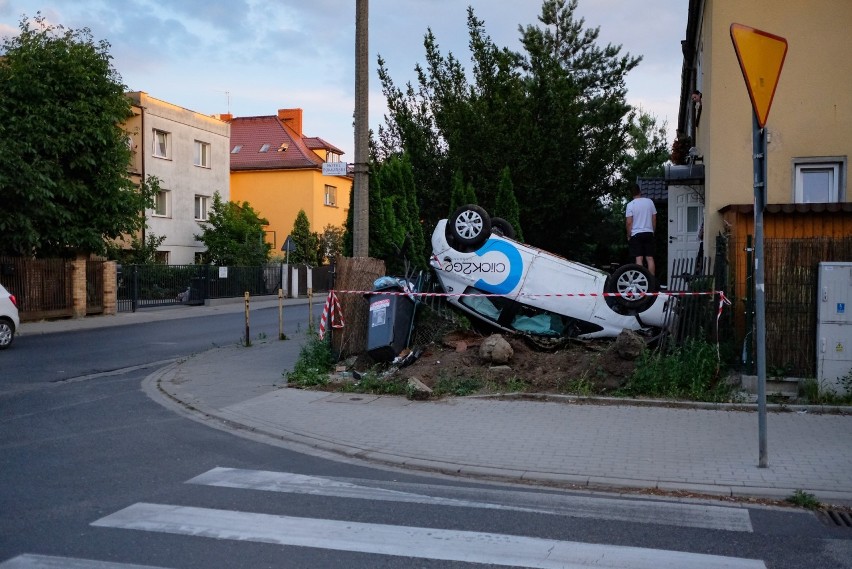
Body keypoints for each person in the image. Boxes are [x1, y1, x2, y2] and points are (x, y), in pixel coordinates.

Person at [625, 184, 657, 275]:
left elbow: (629, 223)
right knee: (650, 258)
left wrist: (628, 235)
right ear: (640, 191)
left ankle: (641, 281)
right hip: (649, 232)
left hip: (636, 234)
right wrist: (653, 231)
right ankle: (652, 282)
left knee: (639, 258)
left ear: (631, 194)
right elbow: (654, 219)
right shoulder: (649, 202)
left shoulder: (630, 205)